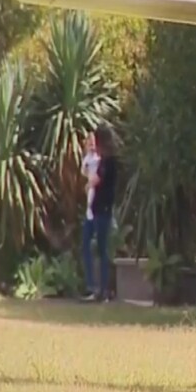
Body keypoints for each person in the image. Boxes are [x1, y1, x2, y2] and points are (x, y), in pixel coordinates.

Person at [81, 123, 119, 303]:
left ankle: (103, 289)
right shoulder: (103, 160)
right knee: (93, 248)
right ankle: (96, 288)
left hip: (103, 209)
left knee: (102, 249)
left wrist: (89, 183)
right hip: (96, 208)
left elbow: (97, 179)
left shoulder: (109, 162)